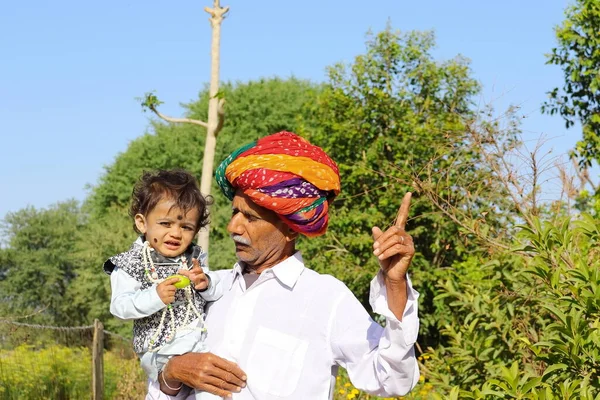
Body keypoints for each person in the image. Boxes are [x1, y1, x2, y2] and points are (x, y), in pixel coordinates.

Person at [148, 131, 420, 399]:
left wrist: (395, 284)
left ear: (290, 229)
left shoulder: (325, 299)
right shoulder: (207, 288)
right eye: (234, 212)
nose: (233, 227)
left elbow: (392, 380)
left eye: (250, 218)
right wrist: (172, 373)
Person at [104, 169, 224, 400]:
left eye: (186, 227)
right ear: (142, 223)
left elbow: (217, 291)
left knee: (213, 392)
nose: (175, 233)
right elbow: (119, 306)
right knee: (167, 393)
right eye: (165, 223)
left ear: (196, 230)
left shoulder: (193, 258)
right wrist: (155, 296)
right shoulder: (130, 262)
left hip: (198, 343)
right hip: (159, 350)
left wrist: (205, 283)